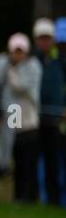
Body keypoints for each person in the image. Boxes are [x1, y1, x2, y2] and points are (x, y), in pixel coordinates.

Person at [0, 33, 42, 202]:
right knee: (17, 162)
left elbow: (20, 85)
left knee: (29, 162)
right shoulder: (7, 66)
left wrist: (12, 70)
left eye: (21, 51)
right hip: (14, 120)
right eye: (15, 51)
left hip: (29, 121)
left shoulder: (33, 66)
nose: (18, 55)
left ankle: (30, 197)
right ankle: (18, 197)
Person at [33, 18, 63, 206]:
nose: (45, 42)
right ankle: (32, 198)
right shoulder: (30, 59)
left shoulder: (58, 60)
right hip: (32, 119)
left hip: (54, 118)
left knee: (53, 161)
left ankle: (53, 200)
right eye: (41, 38)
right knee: (30, 159)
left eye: (48, 38)